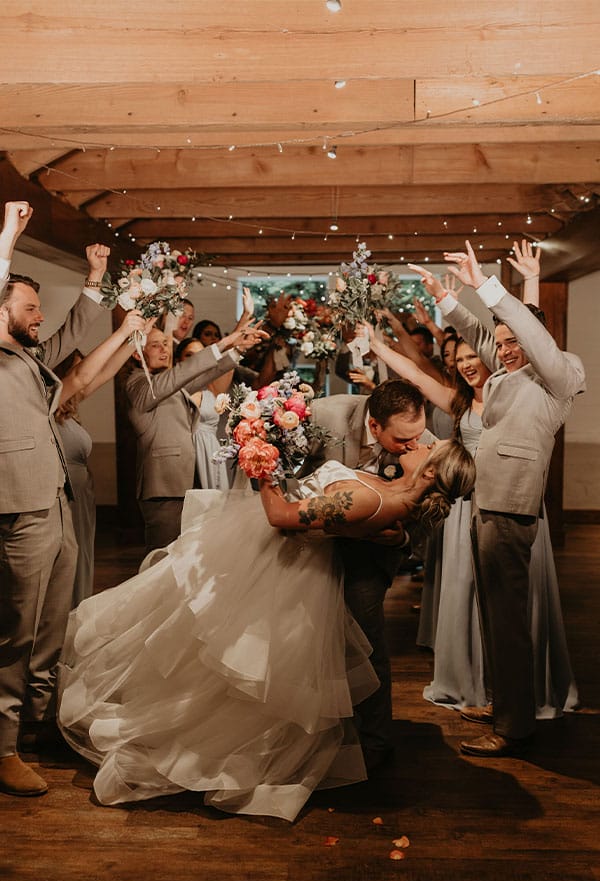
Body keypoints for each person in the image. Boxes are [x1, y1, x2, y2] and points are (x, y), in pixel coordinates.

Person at [57, 438, 475, 821]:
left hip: (285, 570)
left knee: (228, 653)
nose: (422, 442)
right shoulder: (389, 500)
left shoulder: (373, 500)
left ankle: (206, 746)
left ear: (432, 472)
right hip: (286, 564)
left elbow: (280, 516)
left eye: (432, 447)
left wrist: (260, 463)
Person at [411, 240, 585, 757]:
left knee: (507, 620)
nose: (503, 349)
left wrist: (490, 286)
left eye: (513, 341)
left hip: (510, 507)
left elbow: (529, 332)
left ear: (537, 339)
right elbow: (476, 333)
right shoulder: (511, 373)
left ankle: (515, 727)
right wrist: (449, 296)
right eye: (501, 343)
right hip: (483, 502)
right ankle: (506, 700)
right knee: (494, 614)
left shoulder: (559, 373)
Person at [362, 320, 578, 720]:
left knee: (512, 605)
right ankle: (476, 686)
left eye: (471, 357)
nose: (465, 365)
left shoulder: (517, 397)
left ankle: (516, 701)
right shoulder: (460, 403)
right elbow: (415, 373)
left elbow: (534, 337)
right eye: (459, 359)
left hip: (512, 504)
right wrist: (378, 345)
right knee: (471, 597)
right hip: (468, 506)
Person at [0, 200, 110, 797]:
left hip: (54, 500)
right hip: (16, 507)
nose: (41, 315)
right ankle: (4, 747)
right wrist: (8, 237)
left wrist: (95, 284)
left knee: (50, 625)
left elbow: (70, 334)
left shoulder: (26, 356)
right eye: (30, 306)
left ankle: (38, 726)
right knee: (16, 630)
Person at [301, 378, 435, 771]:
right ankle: (315, 731)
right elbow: (288, 472)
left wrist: (403, 538)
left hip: (375, 550)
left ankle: (374, 742)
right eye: (402, 441)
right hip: (309, 540)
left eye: (417, 438)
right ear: (374, 426)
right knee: (304, 635)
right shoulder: (324, 415)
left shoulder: (419, 435)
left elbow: (430, 506)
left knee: (365, 639)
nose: (414, 446)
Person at [126, 320, 267, 553]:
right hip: (163, 488)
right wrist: (225, 341)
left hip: (186, 481)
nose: (165, 349)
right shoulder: (138, 383)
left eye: (165, 343)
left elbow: (205, 375)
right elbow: (182, 373)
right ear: (137, 353)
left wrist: (238, 350)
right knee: (163, 561)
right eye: (155, 346)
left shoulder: (167, 383)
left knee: (190, 557)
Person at [52, 311, 157, 607]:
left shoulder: (70, 405)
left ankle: (75, 616)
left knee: (83, 556)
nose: (84, 381)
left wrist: (135, 339)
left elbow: (107, 371)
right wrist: (123, 332)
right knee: (66, 563)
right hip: (63, 496)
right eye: (77, 372)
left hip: (83, 497)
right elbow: (85, 375)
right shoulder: (48, 405)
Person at [174, 338, 230, 491]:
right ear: (178, 360)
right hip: (184, 457)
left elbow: (230, 358)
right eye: (189, 355)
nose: (196, 360)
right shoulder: (171, 391)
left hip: (210, 455)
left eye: (200, 355)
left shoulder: (212, 388)